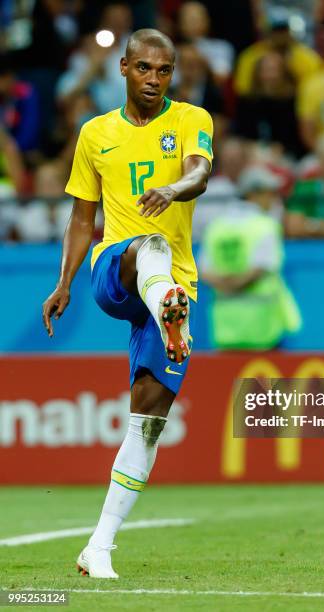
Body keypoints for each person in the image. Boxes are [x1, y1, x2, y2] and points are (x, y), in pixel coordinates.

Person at [42, 29, 213, 579]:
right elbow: (81, 218)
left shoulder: (191, 118)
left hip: (176, 284)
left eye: (163, 71)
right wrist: (64, 282)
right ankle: (167, 302)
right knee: (149, 245)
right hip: (116, 269)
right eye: (144, 69)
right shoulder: (95, 134)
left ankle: (99, 546)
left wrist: (175, 189)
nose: (154, 80)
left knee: (148, 417)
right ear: (123, 68)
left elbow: (201, 171)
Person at [200, 167, 300, 349]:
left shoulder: (216, 226)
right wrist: (237, 284)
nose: (273, 200)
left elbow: (204, 271)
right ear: (253, 194)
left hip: (225, 327)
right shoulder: (265, 225)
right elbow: (261, 268)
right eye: (270, 194)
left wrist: (227, 285)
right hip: (263, 329)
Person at [234, 7, 322, 96]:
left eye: (283, 30)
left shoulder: (307, 57)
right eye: (275, 30)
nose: (279, 35)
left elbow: (315, 88)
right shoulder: (250, 56)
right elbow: (243, 90)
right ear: (266, 32)